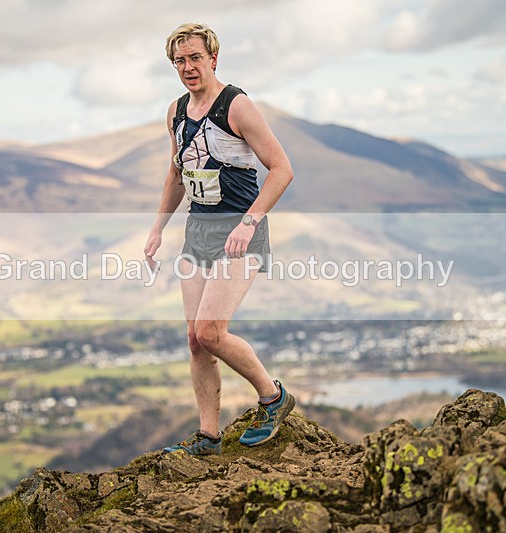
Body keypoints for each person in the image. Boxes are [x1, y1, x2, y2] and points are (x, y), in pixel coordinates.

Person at [143, 23, 294, 456]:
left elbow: (282, 169)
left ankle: (273, 397)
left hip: (240, 232)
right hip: (198, 233)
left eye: (195, 58)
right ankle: (209, 436)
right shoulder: (174, 112)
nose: (188, 67)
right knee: (195, 339)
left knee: (211, 330)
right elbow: (177, 174)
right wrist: (157, 228)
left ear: (213, 58)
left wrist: (249, 222)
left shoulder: (237, 106)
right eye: (179, 61)